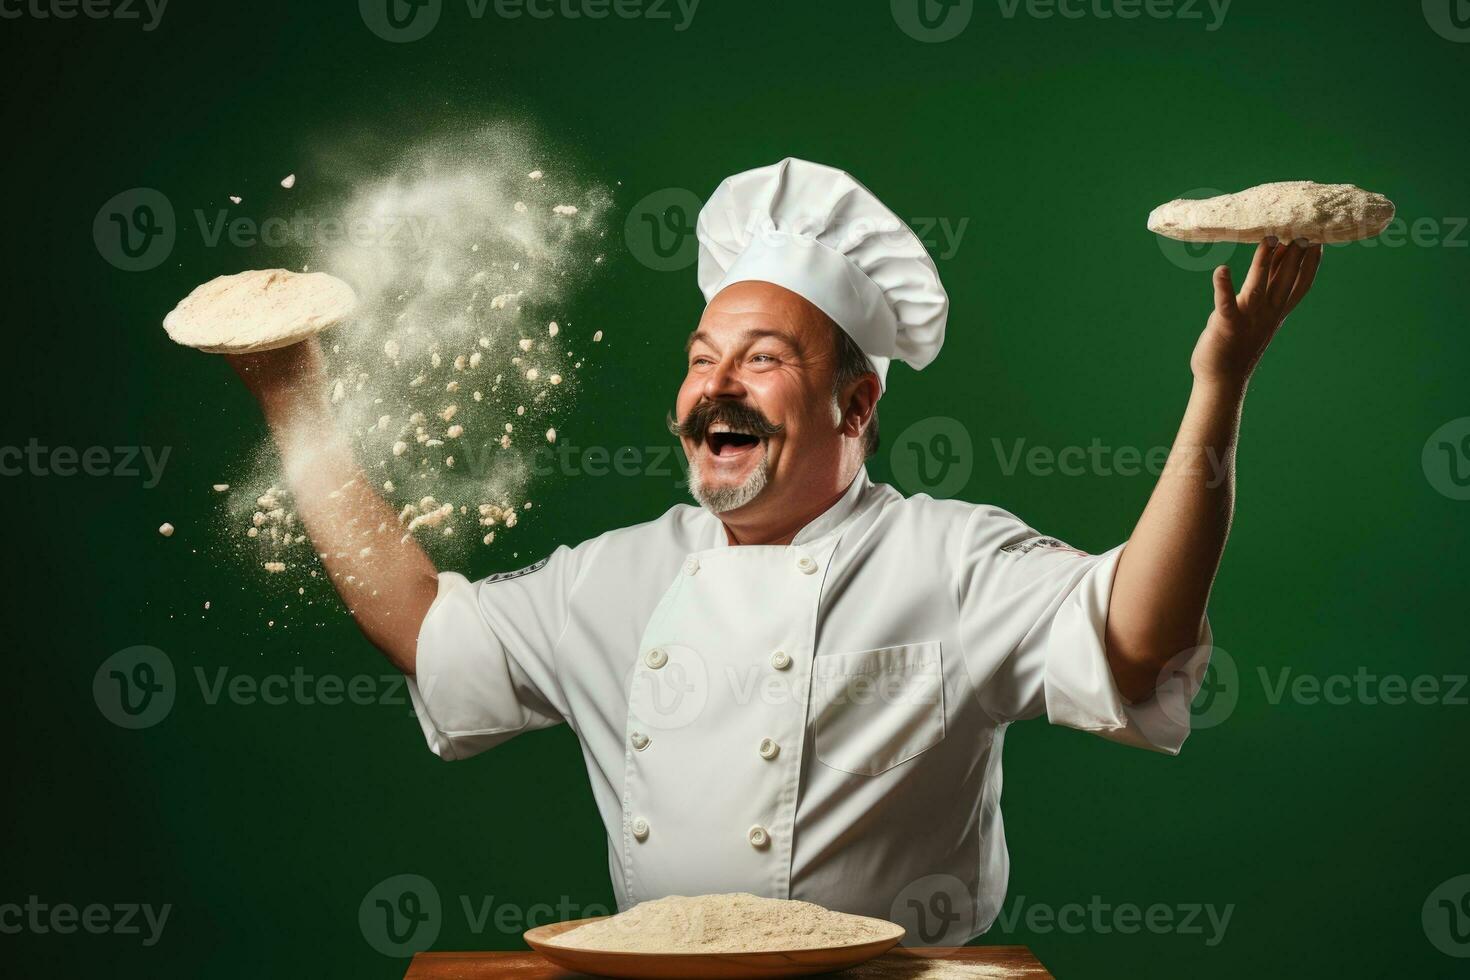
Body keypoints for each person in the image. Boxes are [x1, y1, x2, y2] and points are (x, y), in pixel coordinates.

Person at [228, 158, 1323, 944]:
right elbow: (426, 626)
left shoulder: (950, 558)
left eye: (759, 360)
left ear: (855, 406)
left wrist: (1218, 389)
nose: (715, 386)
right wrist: (295, 397)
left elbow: (1137, 637)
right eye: (703, 358)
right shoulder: (616, 575)